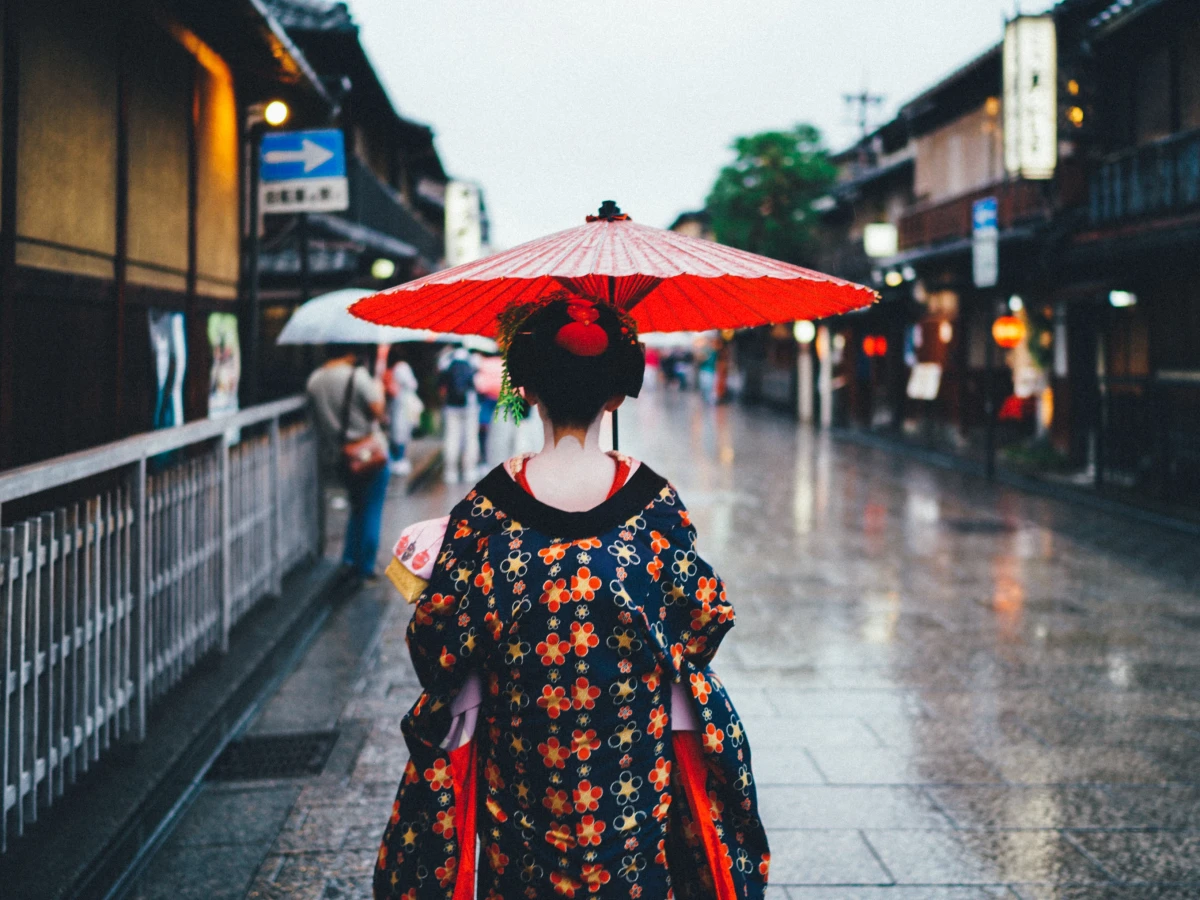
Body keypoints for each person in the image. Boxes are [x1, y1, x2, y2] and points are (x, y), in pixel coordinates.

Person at [374, 293, 769, 900]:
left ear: (526, 389)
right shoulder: (653, 503)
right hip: (632, 765)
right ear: (616, 395)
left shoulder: (487, 509)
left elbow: (435, 643)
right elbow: (705, 620)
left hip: (523, 765)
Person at [306, 345, 389, 581]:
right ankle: (366, 566)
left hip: (339, 455)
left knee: (356, 505)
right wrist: (379, 390)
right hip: (367, 453)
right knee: (371, 508)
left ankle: (349, 558)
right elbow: (378, 413)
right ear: (350, 352)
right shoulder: (358, 376)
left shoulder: (314, 380)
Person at [438, 346, 480, 484]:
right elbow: (477, 383)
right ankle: (469, 470)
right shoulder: (473, 360)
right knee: (471, 438)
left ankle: (451, 472)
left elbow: (441, 386)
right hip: (470, 404)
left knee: (451, 437)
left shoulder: (446, 360)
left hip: (451, 405)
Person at [385, 347, 421, 476]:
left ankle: (397, 459)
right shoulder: (402, 367)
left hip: (396, 403)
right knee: (402, 431)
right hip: (403, 404)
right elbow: (412, 384)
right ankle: (400, 459)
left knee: (396, 430)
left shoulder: (391, 369)